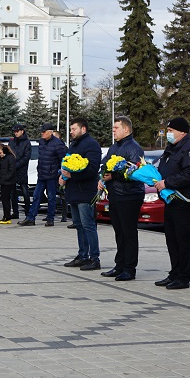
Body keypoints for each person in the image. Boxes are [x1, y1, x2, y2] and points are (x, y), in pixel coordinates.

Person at [153, 118, 190, 290]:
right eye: (168, 130)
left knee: (182, 240)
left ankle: (183, 277)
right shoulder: (171, 148)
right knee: (172, 240)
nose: (169, 133)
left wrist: (167, 183)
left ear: (182, 132)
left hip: (185, 201)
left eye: (172, 130)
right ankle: (174, 273)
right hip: (171, 201)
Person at [99, 116, 145, 281]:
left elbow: (134, 172)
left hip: (129, 195)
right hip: (115, 195)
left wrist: (114, 176)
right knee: (119, 232)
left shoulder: (134, 148)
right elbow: (105, 164)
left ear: (126, 129)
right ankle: (119, 265)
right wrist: (102, 177)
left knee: (128, 232)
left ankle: (129, 268)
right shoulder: (114, 147)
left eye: (116, 128)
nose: (113, 130)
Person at [60, 118, 102, 270]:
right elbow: (67, 164)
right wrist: (63, 176)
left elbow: (92, 169)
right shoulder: (73, 145)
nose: (71, 132)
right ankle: (83, 255)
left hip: (86, 192)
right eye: (70, 129)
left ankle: (94, 258)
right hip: (73, 191)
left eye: (73, 129)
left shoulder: (91, 144)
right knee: (78, 225)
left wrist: (73, 176)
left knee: (88, 225)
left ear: (83, 129)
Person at [18, 123, 66, 227]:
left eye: (44, 132)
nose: (42, 134)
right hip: (42, 174)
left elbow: (63, 160)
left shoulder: (58, 144)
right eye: (41, 132)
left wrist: (59, 172)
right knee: (36, 196)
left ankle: (50, 219)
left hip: (52, 175)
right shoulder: (42, 142)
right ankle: (30, 218)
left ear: (50, 132)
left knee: (51, 197)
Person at [8, 124, 31, 219]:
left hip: (22, 170)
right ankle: (15, 212)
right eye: (14, 131)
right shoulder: (12, 142)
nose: (16, 133)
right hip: (13, 171)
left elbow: (26, 157)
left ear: (22, 131)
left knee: (25, 192)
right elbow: (9, 154)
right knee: (12, 192)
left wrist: (16, 165)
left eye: (17, 131)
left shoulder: (27, 143)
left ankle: (28, 213)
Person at [0, 143, 16, 224]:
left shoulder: (10, 158)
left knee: (6, 199)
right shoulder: (3, 158)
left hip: (8, 182)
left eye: (0, 153)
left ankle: (7, 216)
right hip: (4, 181)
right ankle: (6, 215)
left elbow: (12, 170)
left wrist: (5, 178)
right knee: (4, 199)